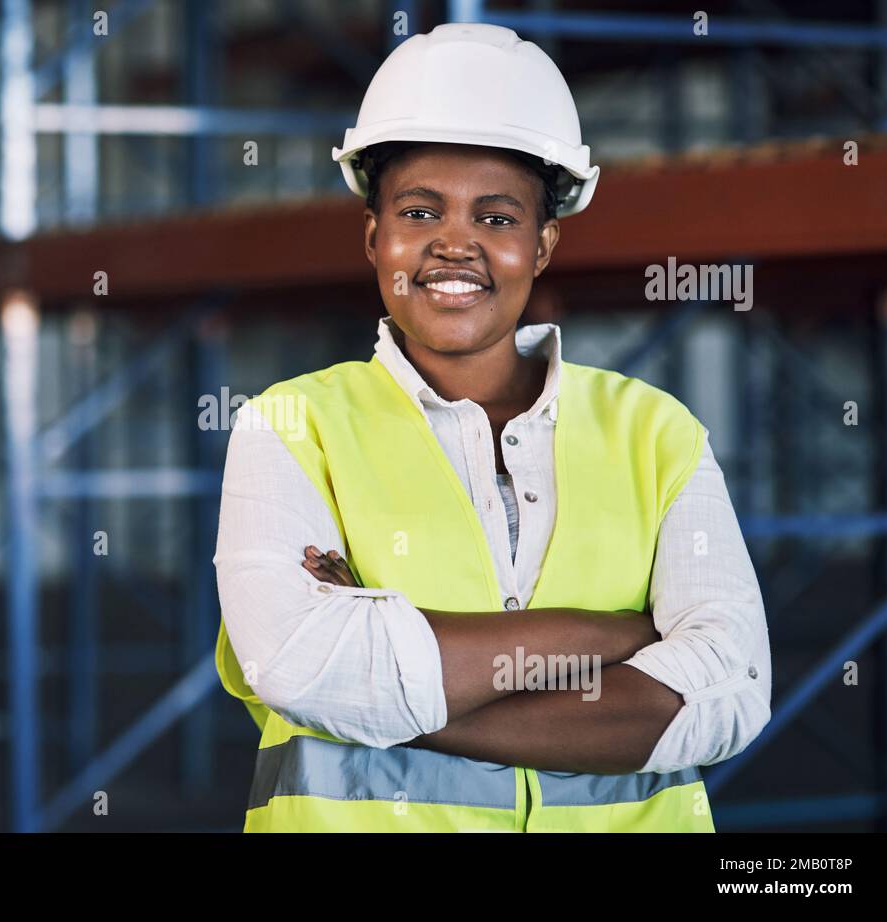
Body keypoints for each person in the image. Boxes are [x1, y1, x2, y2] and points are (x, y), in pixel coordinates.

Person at [211, 22, 771, 832]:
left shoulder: (657, 434)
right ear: (376, 238)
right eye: (419, 210)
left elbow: (730, 692)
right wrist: (614, 636)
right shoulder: (291, 428)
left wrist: (390, 689)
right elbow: (296, 666)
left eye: (498, 218)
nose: (454, 245)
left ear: (543, 245)